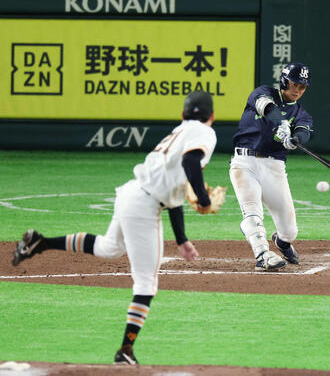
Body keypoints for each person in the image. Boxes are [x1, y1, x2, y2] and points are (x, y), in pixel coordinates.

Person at [12, 91, 218, 365]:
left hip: (131, 193)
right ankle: (125, 351)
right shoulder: (205, 133)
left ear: (182, 114)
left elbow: (173, 190)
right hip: (144, 206)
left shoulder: (179, 132)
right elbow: (190, 162)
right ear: (212, 116)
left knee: (110, 248)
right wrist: (203, 198)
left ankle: (42, 242)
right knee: (146, 283)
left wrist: (182, 239)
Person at [230, 62, 313, 271]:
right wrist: (281, 124)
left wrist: (295, 139)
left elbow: (304, 130)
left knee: (290, 231)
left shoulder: (301, 113)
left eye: (302, 87)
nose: (297, 90)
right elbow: (266, 107)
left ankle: (282, 242)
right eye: (294, 84)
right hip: (245, 162)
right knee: (252, 212)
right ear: (284, 81)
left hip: (274, 168)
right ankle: (262, 255)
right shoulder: (263, 92)